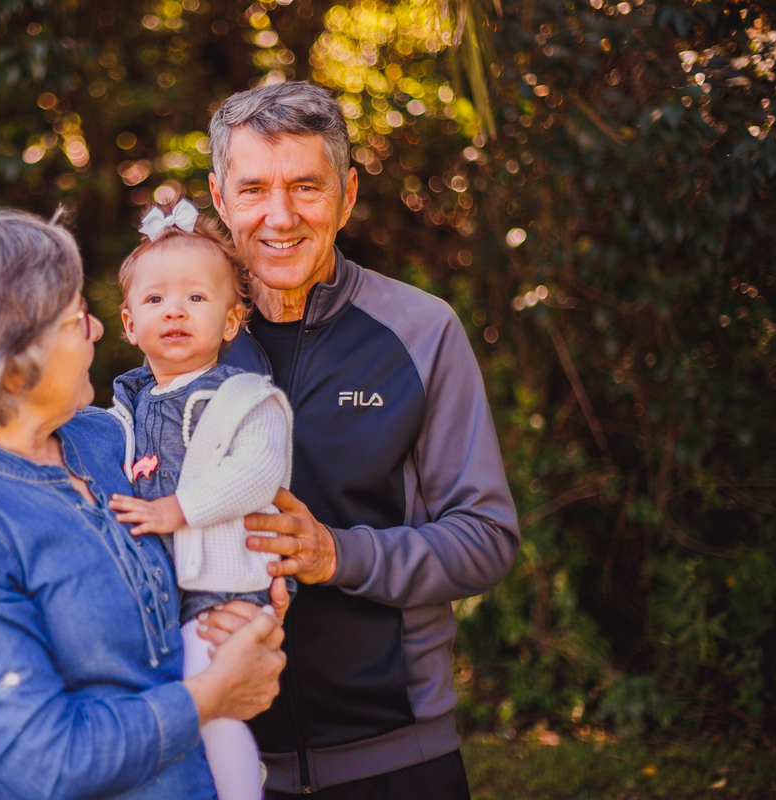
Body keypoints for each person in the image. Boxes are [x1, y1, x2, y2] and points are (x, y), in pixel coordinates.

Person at [0, 208, 287, 800]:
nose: (95, 330)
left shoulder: (103, 439)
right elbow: (47, 760)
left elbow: (192, 565)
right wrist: (214, 693)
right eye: (75, 318)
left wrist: (243, 609)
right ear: (10, 358)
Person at [196, 82, 521, 798]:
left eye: (306, 187)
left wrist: (335, 554)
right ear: (220, 199)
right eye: (253, 190)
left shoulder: (421, 332)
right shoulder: (186, 342)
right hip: (227, 765)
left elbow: (487, 537)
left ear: (346, 196)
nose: (280, 216)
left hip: (398, 761)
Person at [104, 199, 294, 800]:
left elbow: (257, 471)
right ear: (129, 323)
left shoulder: (244, 398)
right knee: (167, 706)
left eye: (195, 297)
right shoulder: (123, 409)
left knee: (210, 699)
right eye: (155, 299)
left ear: (232, 320)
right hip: (159, 590)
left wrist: (177, 510)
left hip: (223, 585)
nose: (175, 311)